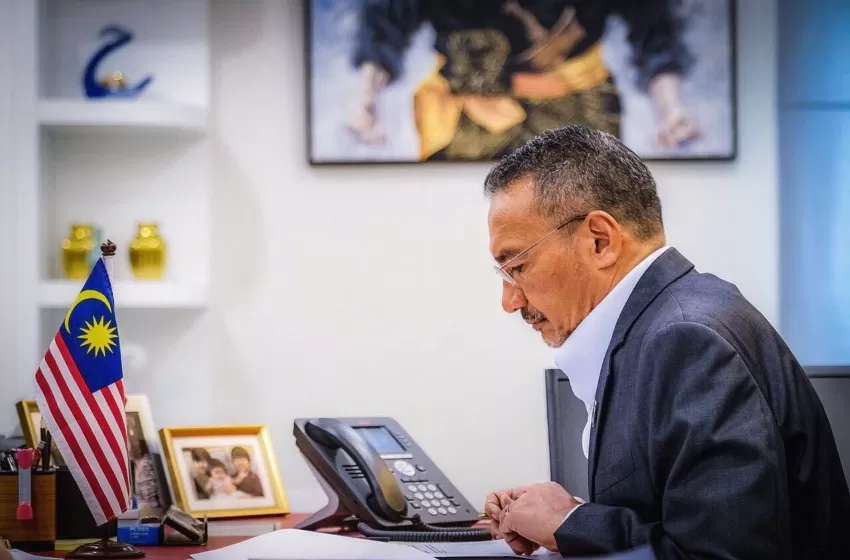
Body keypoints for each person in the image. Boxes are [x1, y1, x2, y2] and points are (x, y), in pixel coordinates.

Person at [481, 124, 850, 558]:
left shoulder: (687, 341)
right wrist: (563, 519)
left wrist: (571, 523)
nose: (509, 301)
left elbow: (720, 555)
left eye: (517, 267)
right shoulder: (668, 322)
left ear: (600, 241)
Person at [347, 0, 699, 161]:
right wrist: (367, 97)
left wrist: (670, 106)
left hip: (580, 107)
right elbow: (386, 18)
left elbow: (652, 20)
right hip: (466, 120)